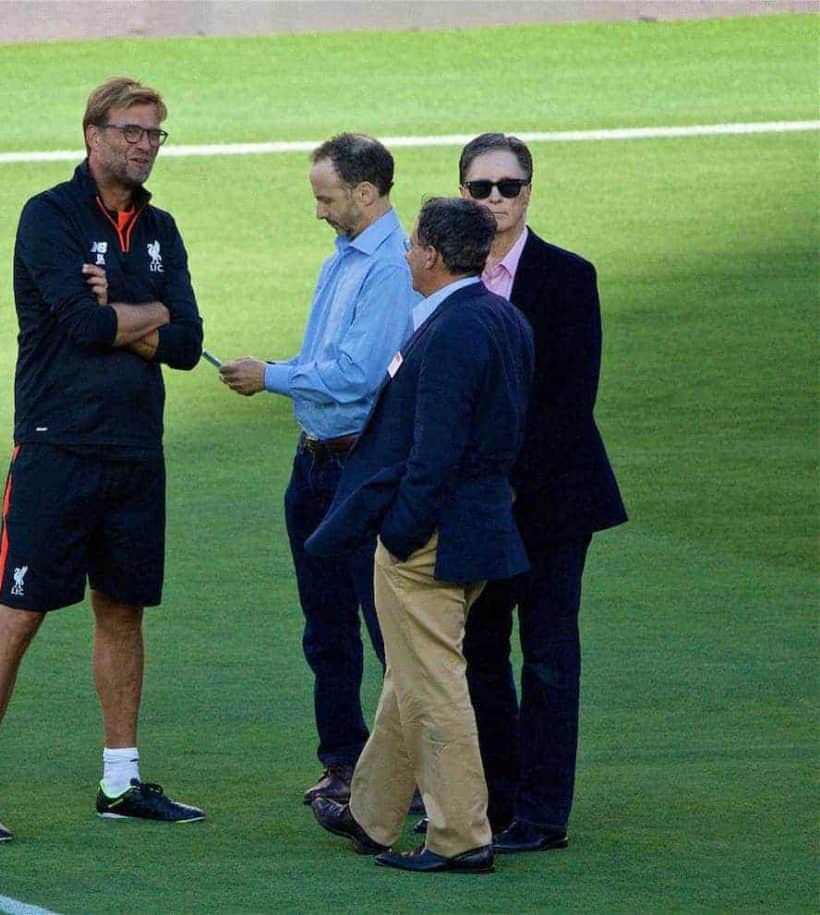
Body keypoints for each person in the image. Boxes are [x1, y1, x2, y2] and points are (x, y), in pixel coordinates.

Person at [0, 76, 205, 843]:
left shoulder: (162, 229)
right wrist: (141, 311)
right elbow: (83, 329)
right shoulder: (48, 216)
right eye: (131, 131)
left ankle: (120, 779)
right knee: (19, 613)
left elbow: (186, 342)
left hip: (134, 453)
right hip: (57, 449)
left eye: (156, 134)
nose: (144, 146)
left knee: (123, 610)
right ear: (92, 134)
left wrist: (124, 302)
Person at [306, 197, 535, 874]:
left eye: (411, 244)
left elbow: (435, 452)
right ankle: (373, 815)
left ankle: (461, 836)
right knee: (410, 676)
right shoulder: (501, 317)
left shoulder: (453, 329)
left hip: (432, 537)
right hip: (479, 527)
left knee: (432, 685)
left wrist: (402, 532)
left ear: (432, 254)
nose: (406, 253)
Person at [218, 134, 418, 806]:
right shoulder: (343, 258)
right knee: (325, 623)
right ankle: (343, 761)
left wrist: (269, 375)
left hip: (357, 465)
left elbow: (358, 374)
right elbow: (330, 358)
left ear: (365, 194)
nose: (320, 212)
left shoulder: (390, 267)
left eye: (326, 198)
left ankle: (408, 773)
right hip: (315, 462)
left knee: (381, 622)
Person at [449, 133, 628, 852]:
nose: (496, 200)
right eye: (481, 188)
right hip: (480, 507)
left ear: (530, 190)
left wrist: (498, 483)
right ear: (462, 193)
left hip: (551, 505)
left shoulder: (567, 276)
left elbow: (568, 400)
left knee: (549, 657)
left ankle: (544, 812)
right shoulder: (447, 276)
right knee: (482, 652)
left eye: (509, 186)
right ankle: (494, 799)